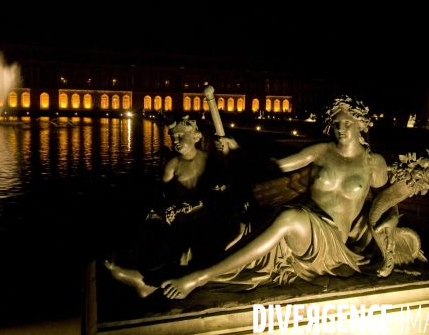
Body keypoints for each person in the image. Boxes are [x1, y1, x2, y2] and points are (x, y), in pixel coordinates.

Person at [158, 96, 401, 299]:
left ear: (360, 124)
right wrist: (238, 151)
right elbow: (276, 166)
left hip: (331, 241)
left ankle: (198, 278)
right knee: (244, 230)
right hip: (303, 230)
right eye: (336, 123)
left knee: (288, 216)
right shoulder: (322, 151)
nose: (341, 129)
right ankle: (161, 277)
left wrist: (391, 220)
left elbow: (388, 201)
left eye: (347, 123)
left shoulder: (373, 162)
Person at [104, 116, 254, 297]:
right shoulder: (172, 165)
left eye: (180, 136)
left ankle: (148, 282)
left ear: (195, 137)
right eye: (173, 138)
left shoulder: (210, 161)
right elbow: (160, 195)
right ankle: (146, 277)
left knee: (185, 243)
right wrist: (163, 209)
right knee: (157, 231)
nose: (176, 141)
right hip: (182, 215)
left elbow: (222, 192)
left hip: (207, 215)